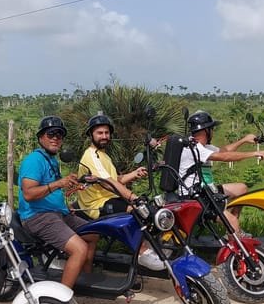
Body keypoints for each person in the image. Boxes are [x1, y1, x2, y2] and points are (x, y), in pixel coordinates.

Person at [17, 116, 99, 289]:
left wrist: (64, 207)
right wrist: (59, 183)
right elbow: (29, 194)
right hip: (37, 217)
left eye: (60, 135)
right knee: (80, 249)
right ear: (41, 137)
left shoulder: (51, 160)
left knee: (94, 234)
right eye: (51, 134)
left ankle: (83, 279)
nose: (56, 137)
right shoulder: (34, 160)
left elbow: (51, 192)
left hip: (57, 214)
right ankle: (63, 298)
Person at [76, 113, 163, 271]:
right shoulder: (91, 156)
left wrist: (135, 173)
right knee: (136, 211)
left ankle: (147, 250)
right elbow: (109, 184)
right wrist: (133, 198)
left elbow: (116, 179)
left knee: (147, 209)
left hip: (108, 199)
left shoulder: (103, 155)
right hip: (95, 205)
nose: (104, 136)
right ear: (91, 135)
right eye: (100, 133)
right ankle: (142, 252)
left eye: (107, 133)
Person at [177, 110, 264, 232]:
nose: (213, 132)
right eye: (211, 129)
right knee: (233, 222)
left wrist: (244, 140)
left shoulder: (203, 146)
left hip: (206, 190)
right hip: (195, 196)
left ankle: (232, 231)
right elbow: (224, 157)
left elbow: (224, 151)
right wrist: (255, 153)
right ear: (205, 131)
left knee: (242, 189)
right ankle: (234, 239)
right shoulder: (194, 148)